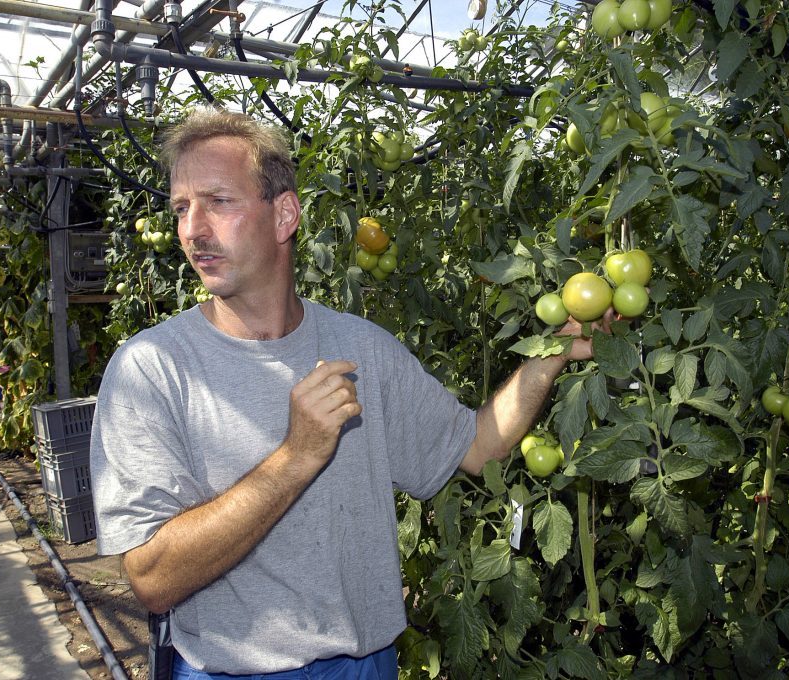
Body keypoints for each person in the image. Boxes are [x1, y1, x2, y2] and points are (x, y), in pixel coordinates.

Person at [89, 108, 604, 679]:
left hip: (365, 664)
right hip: (229, 671)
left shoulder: (362, 349)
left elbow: (477, 445)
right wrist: (295, 457)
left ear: (285, 214)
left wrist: (550, 355)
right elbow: (153, 579)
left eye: (218, 201)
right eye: (181, 208)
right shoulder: (151, 369)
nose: (192, 229)